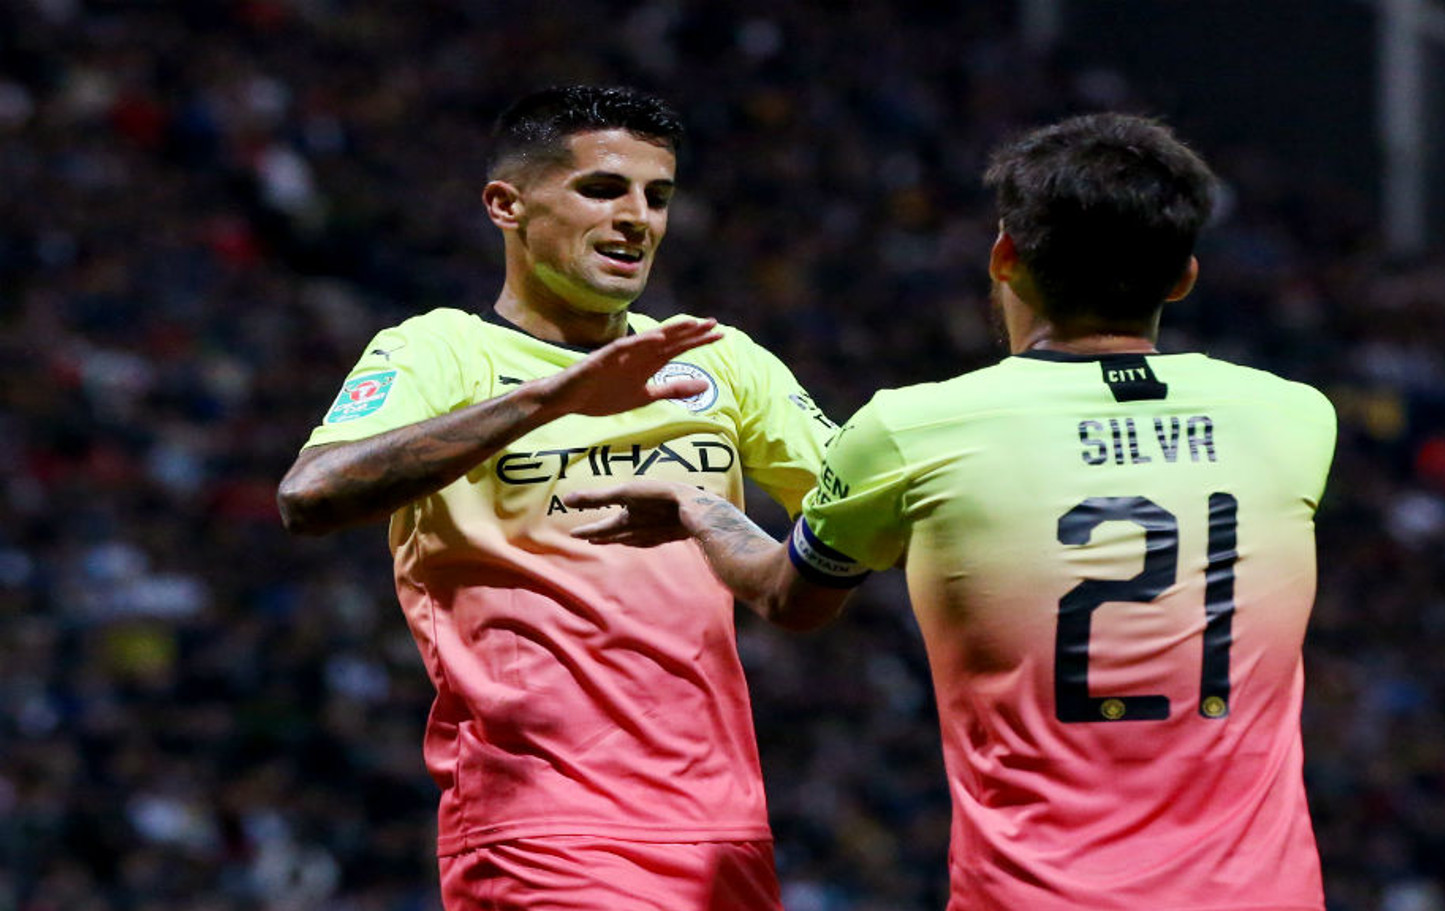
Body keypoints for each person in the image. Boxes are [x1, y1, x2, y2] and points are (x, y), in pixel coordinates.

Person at [566, 113, 1336, 910]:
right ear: (1182, 276)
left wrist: (701, 509)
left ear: (1005, 256)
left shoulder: (913, 428)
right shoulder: (1294, 418)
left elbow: (786, 598)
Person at [277, 85, 837, 910]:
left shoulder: (721, 361)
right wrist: (551, 398)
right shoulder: (440, 351)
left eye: (658, 196)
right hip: (541, 821)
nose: (637, 219)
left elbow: (862, 512)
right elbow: (310, 494)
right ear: (508, 204)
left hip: (724, 821)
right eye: (602, 189)